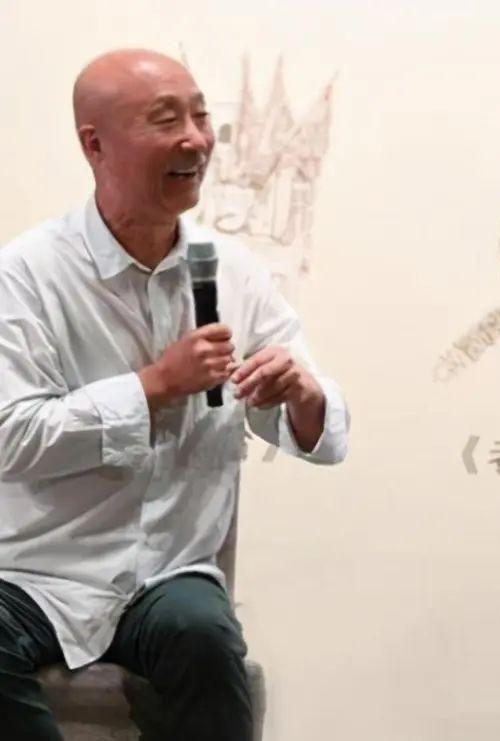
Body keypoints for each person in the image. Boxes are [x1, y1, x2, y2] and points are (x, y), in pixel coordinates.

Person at [0, 49, 349, 740]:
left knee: (205, 641)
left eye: (200, 116)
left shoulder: (234, 272)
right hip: (39, 570)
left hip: (171, 572)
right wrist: (154, 385)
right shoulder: (27, 275)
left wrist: (300, 391)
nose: (195, 139)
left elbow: (321, 431)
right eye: (166, 121)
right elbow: (11, 436)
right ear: (94, 145)